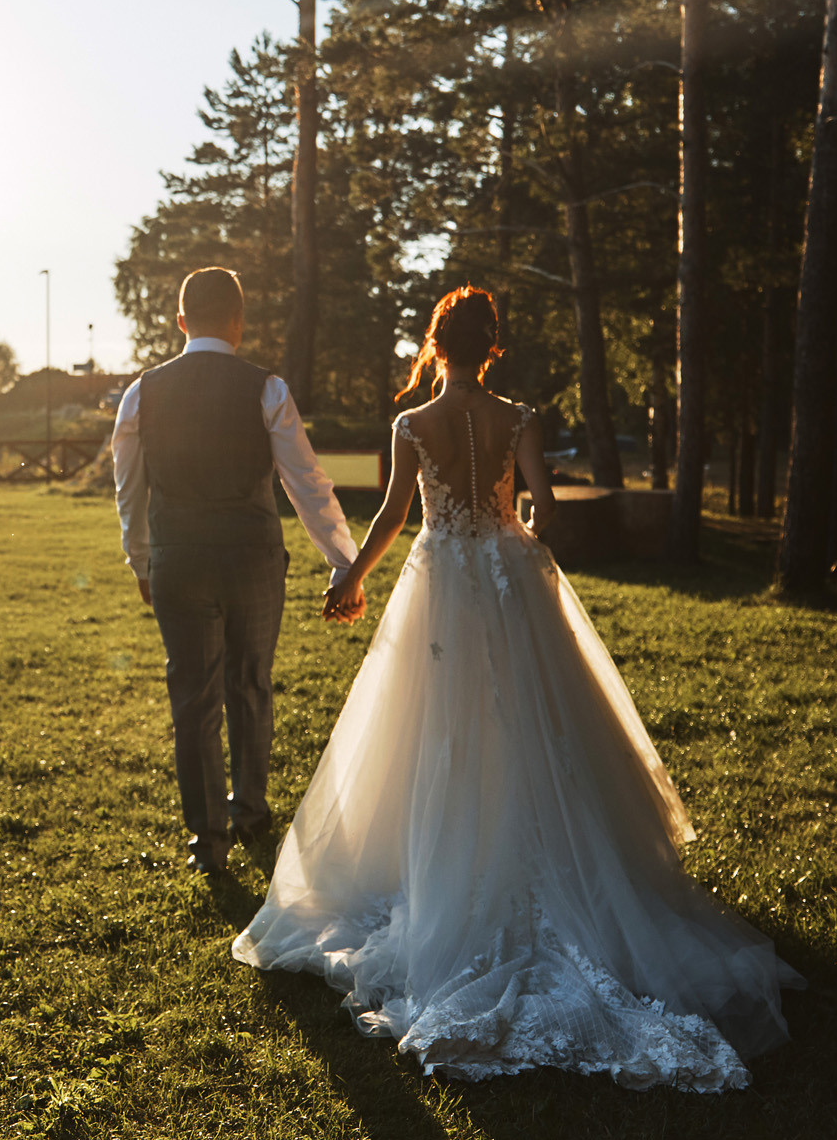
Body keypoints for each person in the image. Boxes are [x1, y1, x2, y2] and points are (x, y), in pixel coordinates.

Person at [234, 285, 802, 1090]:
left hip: (442, 584)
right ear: (492, 345)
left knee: (442, 729)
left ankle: (456, 862)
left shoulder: (412, 425)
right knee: (536, 722)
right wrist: (520, 540)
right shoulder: (520, 418)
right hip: (507, 577)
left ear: (436, 345)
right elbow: (545, 506)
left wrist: (350, 577)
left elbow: (395, 514)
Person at [112, 267, 357, 874]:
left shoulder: (142, 392)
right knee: (250, 684)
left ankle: (208, 839)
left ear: (180, 322)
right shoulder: (265, 388)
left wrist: (141, 560)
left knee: (193, 698)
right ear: (239, 324)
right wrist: (343, 562)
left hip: (178, 560)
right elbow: (306, 483)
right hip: (252, 558)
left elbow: (129, 489)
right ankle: (249, 810)